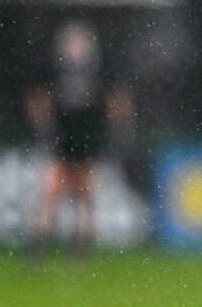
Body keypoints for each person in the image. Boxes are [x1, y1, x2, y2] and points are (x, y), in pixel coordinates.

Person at [25, 20, 132, 257]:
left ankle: (80, 244)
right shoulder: (54, 70)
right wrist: (44, 126)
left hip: (87, 135)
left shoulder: (99, 70)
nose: (76, 49)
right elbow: (39, 98)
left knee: (84, 191)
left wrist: (117, 129)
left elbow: (116, 100)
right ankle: (41, 243)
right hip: (62, 135)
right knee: (52, 191)